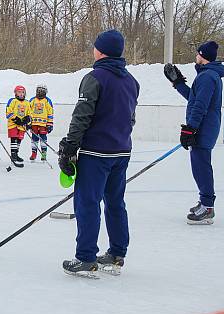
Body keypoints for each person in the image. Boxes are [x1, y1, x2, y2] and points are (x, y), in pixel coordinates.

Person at [58, 29, 139, 278]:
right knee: (115, 202)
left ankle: (86, 258)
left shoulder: (94, 78)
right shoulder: (131, 81)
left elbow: (82, 115)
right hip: (121, 152)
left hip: (96, 153)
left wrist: (70, 146)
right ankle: (116, 253)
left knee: (87, 203)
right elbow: (130, 118)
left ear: (100, 50)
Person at [164, 41, 224, 225]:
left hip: (203, 129)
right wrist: (178, 83)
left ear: (203, 56)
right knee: (199, 166)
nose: (195, 57)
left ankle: (207, 207)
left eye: (197, 54)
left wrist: (190, 128)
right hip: (203, 127)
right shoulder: (208, 75)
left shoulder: (207, 77)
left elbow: (200, 105)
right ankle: (205, 203)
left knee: (201, 166)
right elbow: (194, 98)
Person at [5, 85, 32, 165]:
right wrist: (16, 119)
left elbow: (30, 113)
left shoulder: (27, 102)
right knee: (14, 139)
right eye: (19, 92)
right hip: (13, 124)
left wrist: (28, 120)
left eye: (22, 92)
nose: (21, 94)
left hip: (22, 126)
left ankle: (16, 154)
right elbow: (8, 112)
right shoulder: (12, 101)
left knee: (19, 140)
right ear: (15, 93)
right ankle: (13, 155)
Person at [29, 84, 54, 161]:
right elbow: (28, 112)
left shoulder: (47, 101)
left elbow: (50, 113)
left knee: (43, 139)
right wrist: (29, 123)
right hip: (34, 124)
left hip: (44, 124)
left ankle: (44, 153)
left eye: (42, 91)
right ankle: (34, 153)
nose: (40, 93)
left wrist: (50, 124)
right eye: (39, 91)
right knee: (34, 139)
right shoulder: (32, 100)